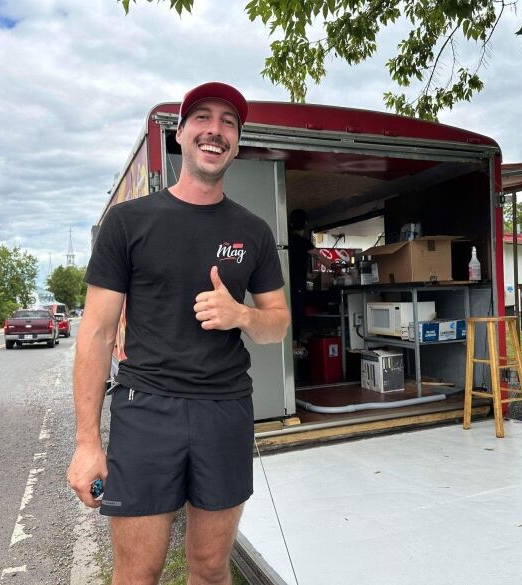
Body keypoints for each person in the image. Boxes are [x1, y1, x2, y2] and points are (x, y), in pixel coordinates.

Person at [67, 82, 289, 585]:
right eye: (203, 119)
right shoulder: (128, 223)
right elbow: (97, 334)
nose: (215, 130)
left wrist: (243, 316)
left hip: (225, 410)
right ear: (182, 134)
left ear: (237, 140)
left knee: (210, 568)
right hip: (147, 410)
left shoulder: (253, 231)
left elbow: (277, 323)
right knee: (137, 572)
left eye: (228, 122)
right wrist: (86, 442)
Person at [287, 208, 332, 342]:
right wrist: (338, 268)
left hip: (283, 283)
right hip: (297, 286)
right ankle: (294, 344)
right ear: (306, 223)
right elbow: (320, 258)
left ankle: (289, 344)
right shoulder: (304, 242)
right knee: (296, 315)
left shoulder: (286, 240)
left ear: (290, 223)